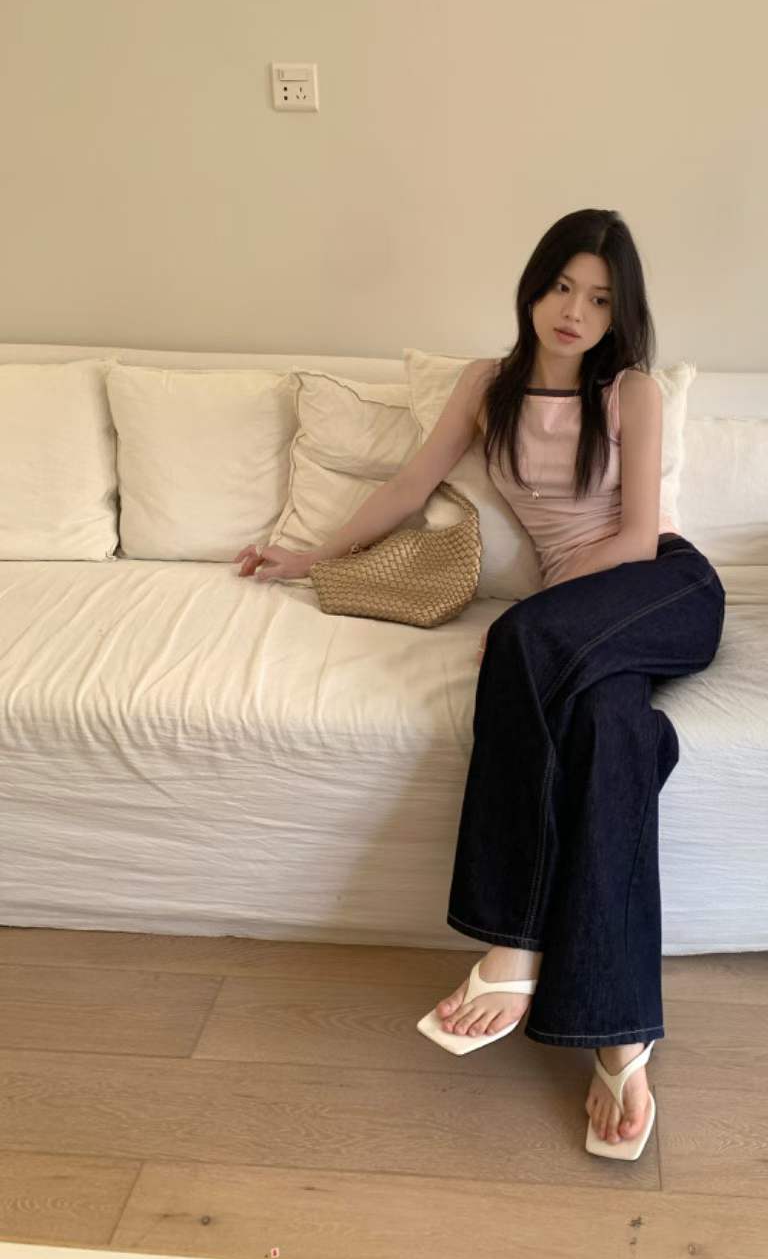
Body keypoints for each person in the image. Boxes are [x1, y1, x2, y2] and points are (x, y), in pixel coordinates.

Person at [234, 208, 725, 1159]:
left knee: (517, 642)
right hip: (580, 632)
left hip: (664, 589)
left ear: (620, 314)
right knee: (615, 736)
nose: (575, 311)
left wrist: (537, 623)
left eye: (600, 299)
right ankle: (622, 1041)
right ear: (533, 288)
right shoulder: (485, 386)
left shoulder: (632, 391)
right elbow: (408, 488)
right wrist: (313, 555)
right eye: (562, 287)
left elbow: (633, 540)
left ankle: (516, 939)